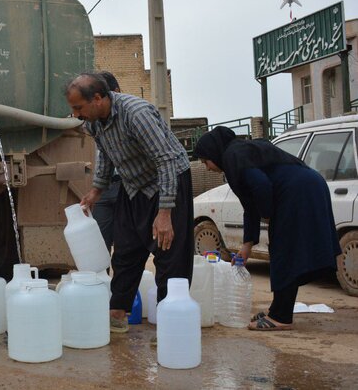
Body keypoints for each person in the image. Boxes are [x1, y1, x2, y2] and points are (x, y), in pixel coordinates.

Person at [65, 73, 194, 333]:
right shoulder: (93, 122)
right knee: (125, 250)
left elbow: (166, 160)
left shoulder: (136, 114)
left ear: (98, 98)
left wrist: (165, 211)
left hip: (167, 181)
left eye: (79, 107)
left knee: (169, 253)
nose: (76, 115)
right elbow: (106, 155)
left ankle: (172, 326)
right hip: (133, 184)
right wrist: (97, 190)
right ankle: (117, 313)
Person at [193, 126, 340, 331]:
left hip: (297, 193)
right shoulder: (242, 150)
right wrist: (247, 246)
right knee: (285, 252)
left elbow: (261, 186)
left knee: (284, 252)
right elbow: (250, 204)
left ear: (213, 152)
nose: (207, 167)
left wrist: (268, 214)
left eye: (205, 161)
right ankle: (277, 310)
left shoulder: (232, 156)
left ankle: (281, 316)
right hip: (310, 185)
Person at [93, 71, 121, 252]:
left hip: (125, 187)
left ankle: (124, 280)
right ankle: (101, 279)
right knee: (100, 246)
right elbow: (103, 155)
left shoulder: (132, 115)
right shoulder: (95, 121)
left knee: (125, 244)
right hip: (104, 188)